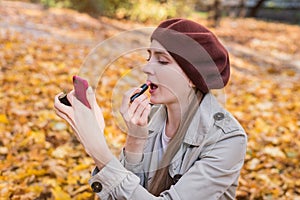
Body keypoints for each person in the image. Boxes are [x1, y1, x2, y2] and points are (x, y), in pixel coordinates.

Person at [54, 18, 247, 199]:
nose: (146, 68)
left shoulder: (227, 139)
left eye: (162, 60)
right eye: (149, 57)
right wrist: (135, 141)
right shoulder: (151, 116)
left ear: (192, 76)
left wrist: (99, 150)